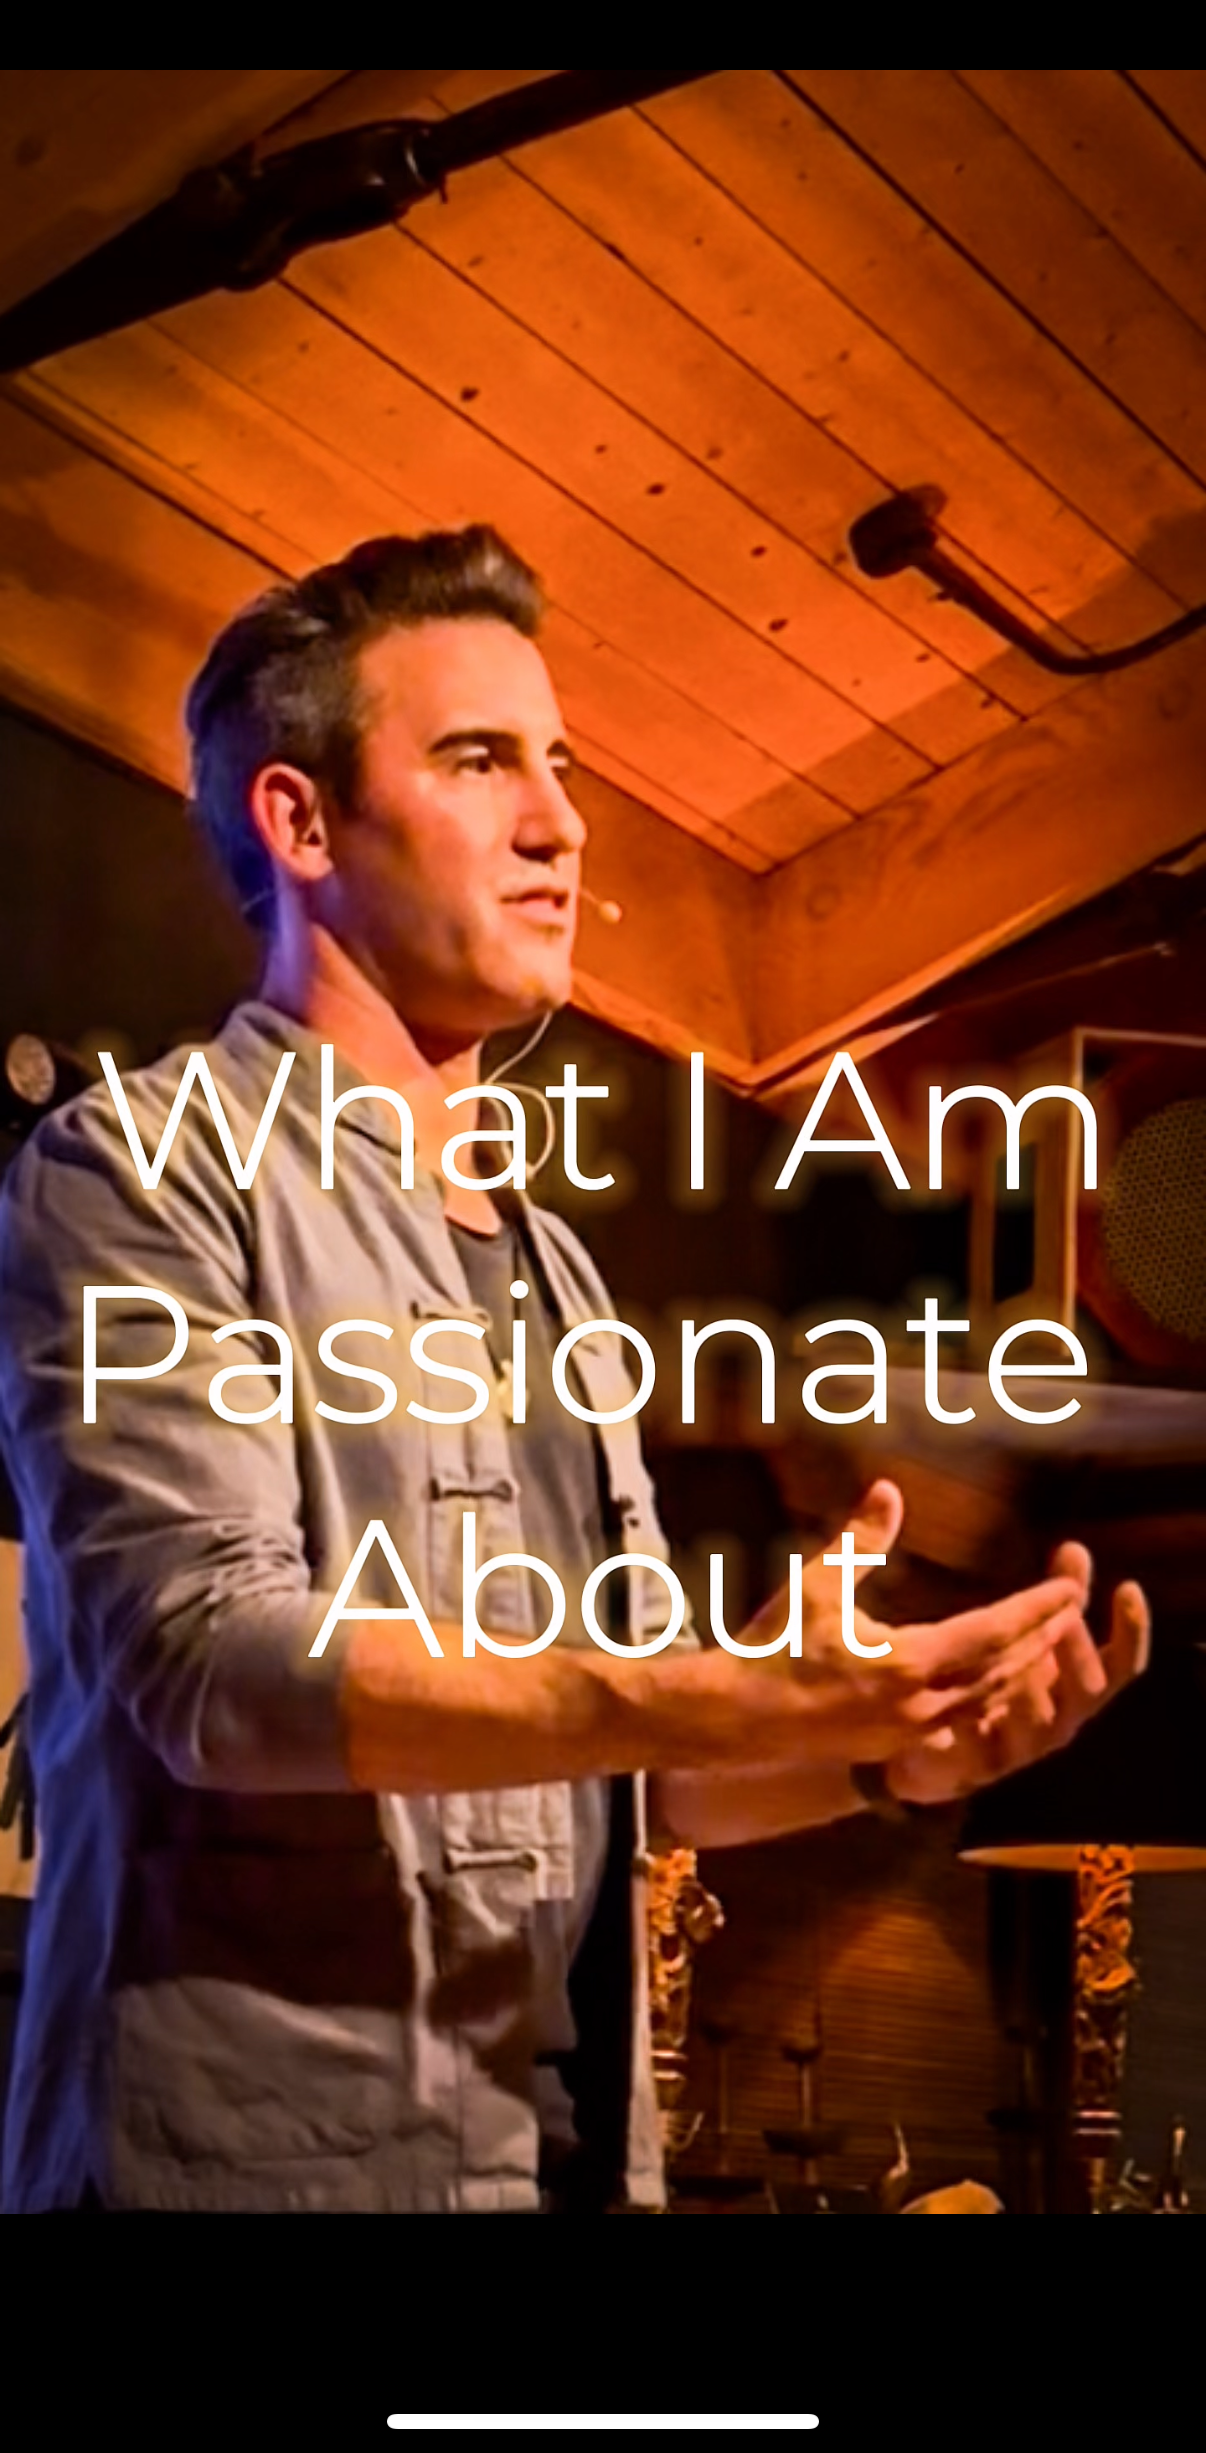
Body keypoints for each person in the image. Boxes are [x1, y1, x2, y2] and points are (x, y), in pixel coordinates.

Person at [0, 527, 1149, 2214]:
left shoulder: (555, 1271)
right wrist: (711, 1685)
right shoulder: (138, 1172)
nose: (562, 821)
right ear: (300, 822)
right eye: (480, 760)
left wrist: (875, 1746)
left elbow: (641, 1771)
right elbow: (211, 1669)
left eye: (561, 764)